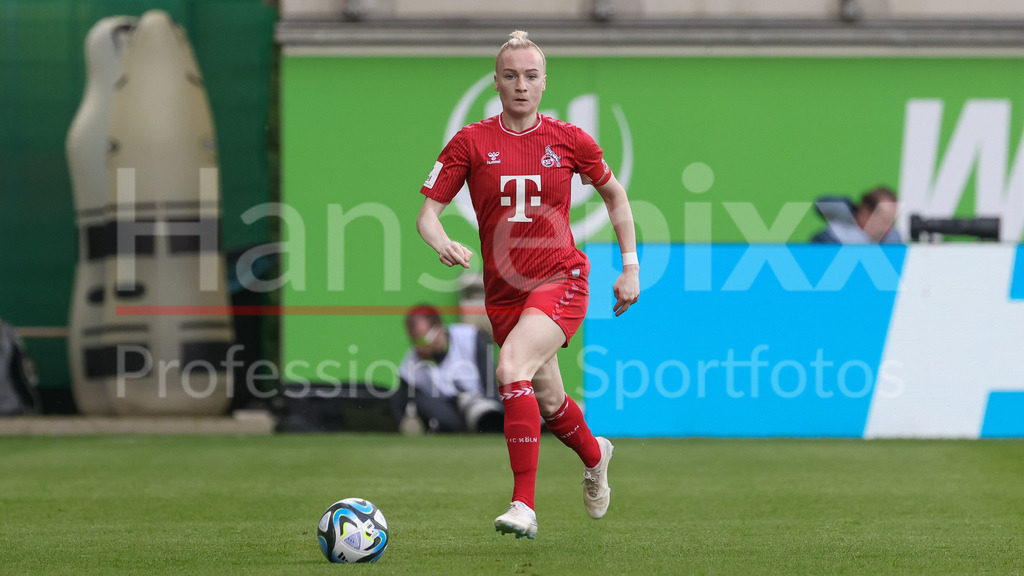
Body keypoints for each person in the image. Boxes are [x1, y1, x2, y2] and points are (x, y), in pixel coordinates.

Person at [415, 30, 640, 540]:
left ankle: (523, 504)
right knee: (550, 400)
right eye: (511, 75)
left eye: (531, 76)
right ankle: (595, 454)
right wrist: (442, 242)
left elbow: (615, 197)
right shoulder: (471, 142)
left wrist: (631, 266)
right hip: (504, 292)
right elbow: (427, 215)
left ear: (544, 84)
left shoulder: (569, 139)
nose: (521, 85)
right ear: (496, 82)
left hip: (562, 277)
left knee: (510, 366)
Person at [393, 304, 504, 434]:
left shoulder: (470, 338)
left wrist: (496, 414)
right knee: (420, 400)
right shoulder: (410, 366)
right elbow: (399, 405)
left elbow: (490, 386)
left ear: (438, 329)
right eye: (413, 342)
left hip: (482, 402)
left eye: (422, 341)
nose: (418, 348)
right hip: (451, 415)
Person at [811, 186, 902, 244]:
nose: (887, 230)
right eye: (883, 220)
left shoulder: (891, 240)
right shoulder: (829, 239)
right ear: (865, 212)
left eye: (891, 222)